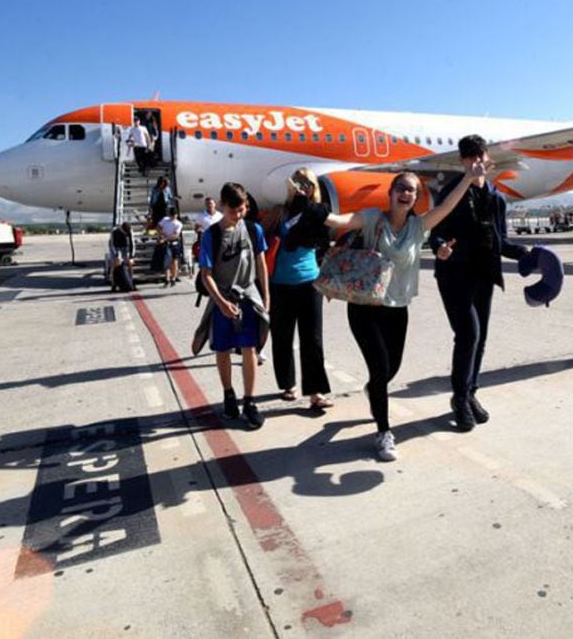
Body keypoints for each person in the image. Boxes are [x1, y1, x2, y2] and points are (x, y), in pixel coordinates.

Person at [323, 164, 488, 460]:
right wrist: (320, 211)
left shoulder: (417, 227)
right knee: (380, 368)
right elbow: (344, 220)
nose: (406, 193)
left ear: (415, 198)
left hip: (397, 307)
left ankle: (374, 390)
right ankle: (384, 432)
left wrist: (467, 177)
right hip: (365, 306)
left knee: (391, 369)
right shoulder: (374, 219)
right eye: (401, 188)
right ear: (390, 193)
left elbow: (448, 205)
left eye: (411, 190)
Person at [429, 134, 531, 432]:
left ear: (487, 158)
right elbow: (435, 231)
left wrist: (525, 252)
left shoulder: (496, 198)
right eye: (468, 156)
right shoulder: (450, 193)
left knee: (481, 338)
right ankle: (459, 399)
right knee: (468, 335)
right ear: (461, 160)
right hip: (454, 276)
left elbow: (500, 240)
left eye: (479, 155)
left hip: (484, 276)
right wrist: (439, 248)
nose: (475, 161)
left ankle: (470, 392)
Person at [191, 182, 270, 430]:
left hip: (247, 296)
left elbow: (261, 264)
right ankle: (228, 394)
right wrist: (221, 303)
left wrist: (265, 296)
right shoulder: (212, 236)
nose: (238, 215)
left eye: (242, 209)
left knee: (250, 348)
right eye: (233, 211)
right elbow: (206, 275)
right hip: (223, 297)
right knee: (222, 348)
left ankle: (249, 401)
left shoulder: (253, 229)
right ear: (222, 206)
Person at [264, 168, 333, 409]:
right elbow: (263, 240)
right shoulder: (280, 212)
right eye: (298, 182)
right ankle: (288, 384)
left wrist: (328, 283)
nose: (303, 187)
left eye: (308, 183)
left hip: (310, 283)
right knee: (282, 337)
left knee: (312, 339)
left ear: (314, 188)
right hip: (280, 284)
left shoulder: (317, 214)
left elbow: (325, 248)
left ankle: (316, 392)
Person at [157, 206, 183, 286]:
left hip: (173, 243)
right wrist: (161, 234)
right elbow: (158, 227)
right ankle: (167, 278)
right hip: (165, 243)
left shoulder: (178, 224)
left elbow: (175, 235)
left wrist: (165, 239)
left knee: (174, 261)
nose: (172, 217)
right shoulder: (165, 220)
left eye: (174, 215)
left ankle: (173, 278)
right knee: (166, 261)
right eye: (171, 215)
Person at [108, 222, 136, 290]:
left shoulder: (129, 231)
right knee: (115, 264)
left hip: (125, 248)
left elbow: (132, 243)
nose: (126, 234)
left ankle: (130, 281)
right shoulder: (114, 231)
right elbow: (111, 244)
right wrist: (116, 255)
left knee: (130, 264)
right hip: (116, 248)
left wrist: (131, 256)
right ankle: (113, 284)